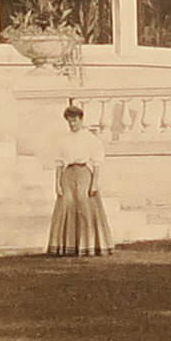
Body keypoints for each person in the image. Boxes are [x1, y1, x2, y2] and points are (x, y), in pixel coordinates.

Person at [47, 103, 113, 256]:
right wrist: (57, 184)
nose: (72, 123)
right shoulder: (63, 140)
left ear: (81, 120)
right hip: (68, 174)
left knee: (85, 209)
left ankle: (88, 245)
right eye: (69, 121)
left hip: (84, 174)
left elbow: (97, 164)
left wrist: (94, 183)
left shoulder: (90, 139)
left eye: (75, 120)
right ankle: (65, 246)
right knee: (66, 206)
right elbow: (59, 164)